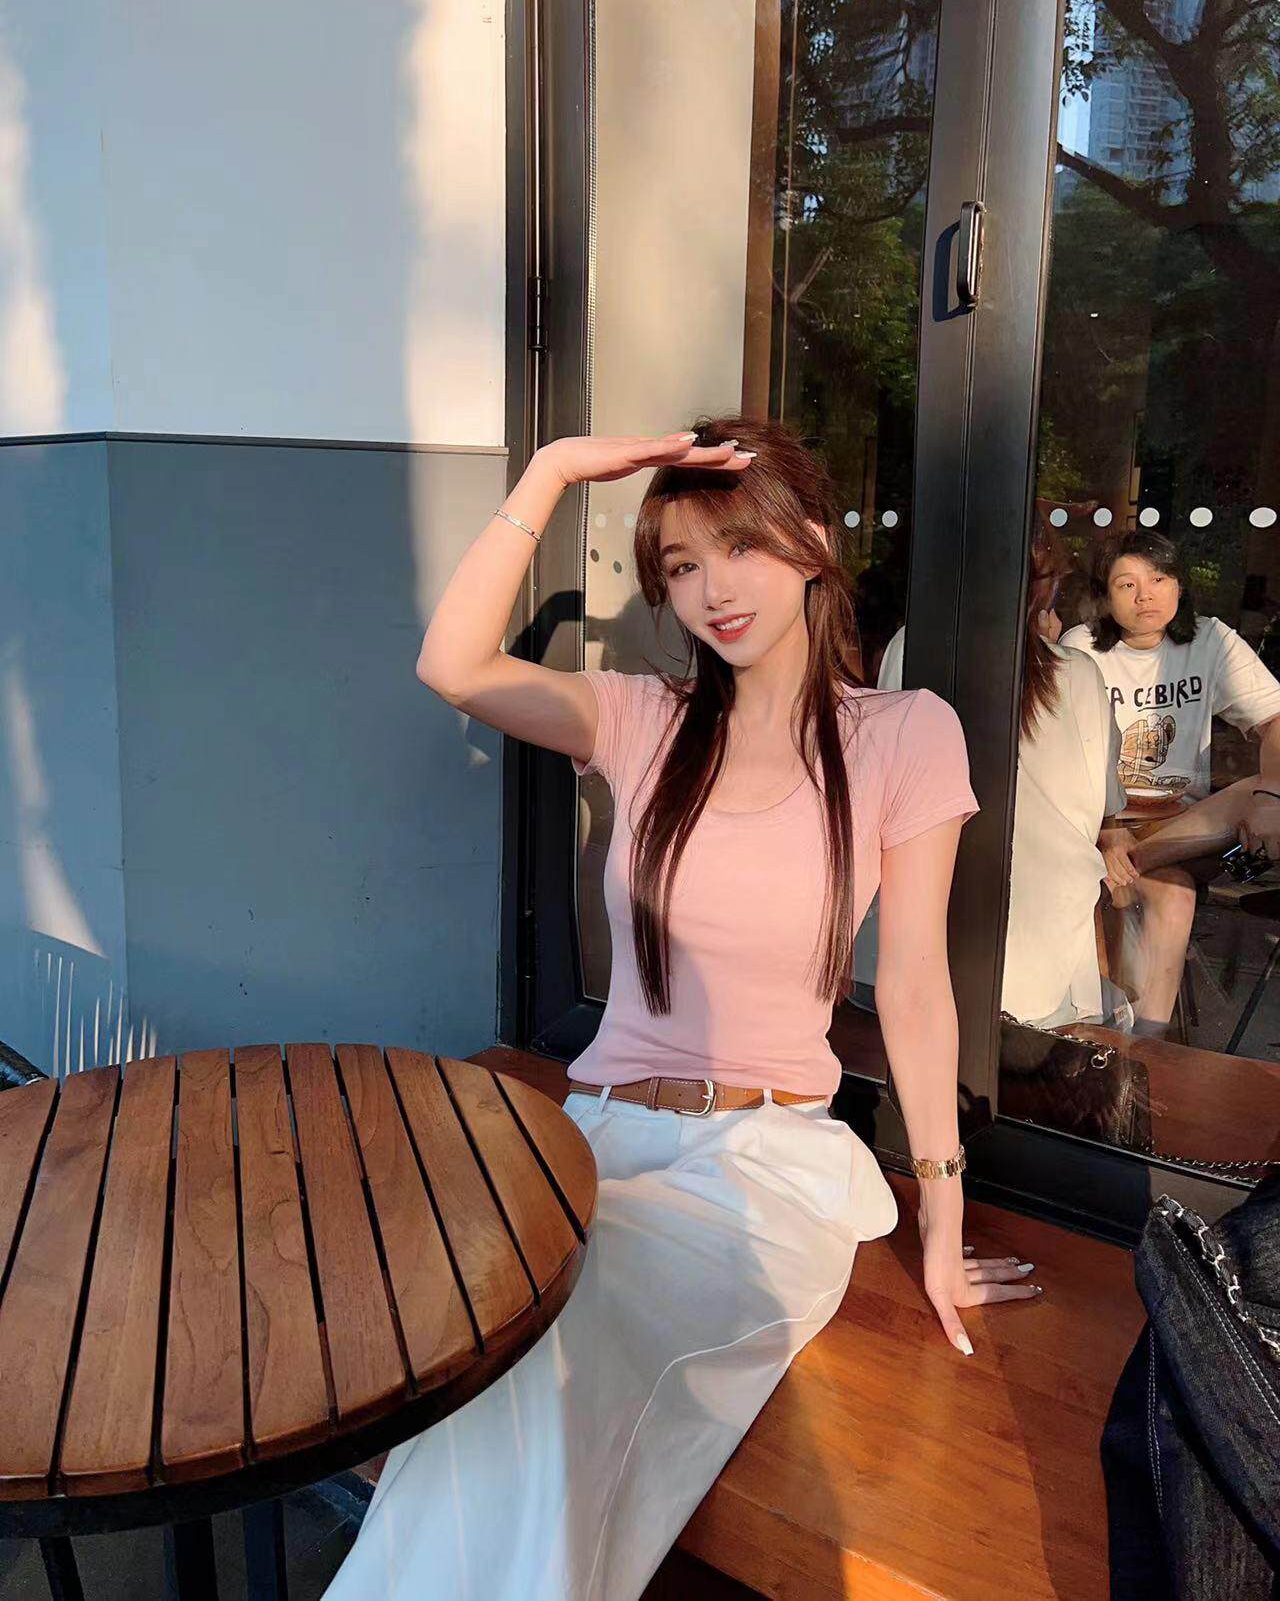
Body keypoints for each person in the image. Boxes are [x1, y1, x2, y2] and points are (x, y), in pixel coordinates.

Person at [323, 416, 1042, 1601]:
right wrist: (553, 470)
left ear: (813, 543)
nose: (714, 589)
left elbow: (915, 986)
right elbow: (452, 665)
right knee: (475, 1336)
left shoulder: (902, 731)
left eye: (740, 547)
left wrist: (940, 1210)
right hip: (597, 1138)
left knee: (545, 1343)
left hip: (759, 1164)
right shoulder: (641, 718)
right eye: (682, 564)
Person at [1061, 530, 1280, 1034]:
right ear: (1104, 595)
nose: (1146, 596)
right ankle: (1150, 1043)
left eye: (1159, 579)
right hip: (1100, 825)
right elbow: (1065, 757)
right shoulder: (1080, 649)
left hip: (1185, 827)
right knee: (1175, 895)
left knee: (1263, 786)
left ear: (1179, 585)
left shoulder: (1210, 640)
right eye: (1127, 584)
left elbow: (1274, 721)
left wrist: (1269, 796)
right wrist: (1108, 828)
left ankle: (1135, 864)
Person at [1002, 520, 1131, 1030]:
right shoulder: (1075, 671)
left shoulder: (915, 646)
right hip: (1045, 972)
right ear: (1047, 593)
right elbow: (1105, 801)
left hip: (914, 960)